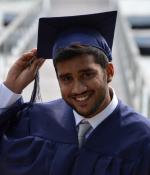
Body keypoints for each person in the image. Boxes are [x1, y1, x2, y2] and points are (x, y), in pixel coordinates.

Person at [0, 11, 150, 175]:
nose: (78, 89)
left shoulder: (142, 139)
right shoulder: (36, 120)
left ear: (109, 71)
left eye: (87, 74)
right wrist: (10, 89)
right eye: (66, 78)